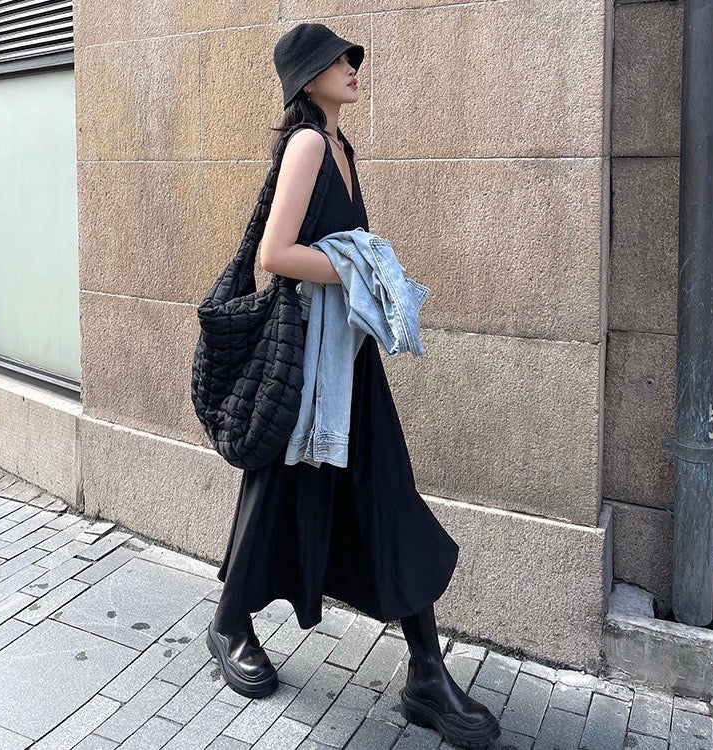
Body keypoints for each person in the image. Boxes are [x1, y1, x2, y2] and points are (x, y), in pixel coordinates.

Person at [205, 22, 501, 749]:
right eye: (336, 60)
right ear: (307, 80)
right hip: (305, 360)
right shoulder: (308, 144)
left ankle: (425, 671)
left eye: (350, 57)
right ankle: (229, 624)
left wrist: (358, 265)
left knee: (384, 491)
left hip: (347, 357)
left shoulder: (342, 147)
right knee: (278, 487)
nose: (350, 66)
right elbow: (276, 254)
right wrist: (357, 265)